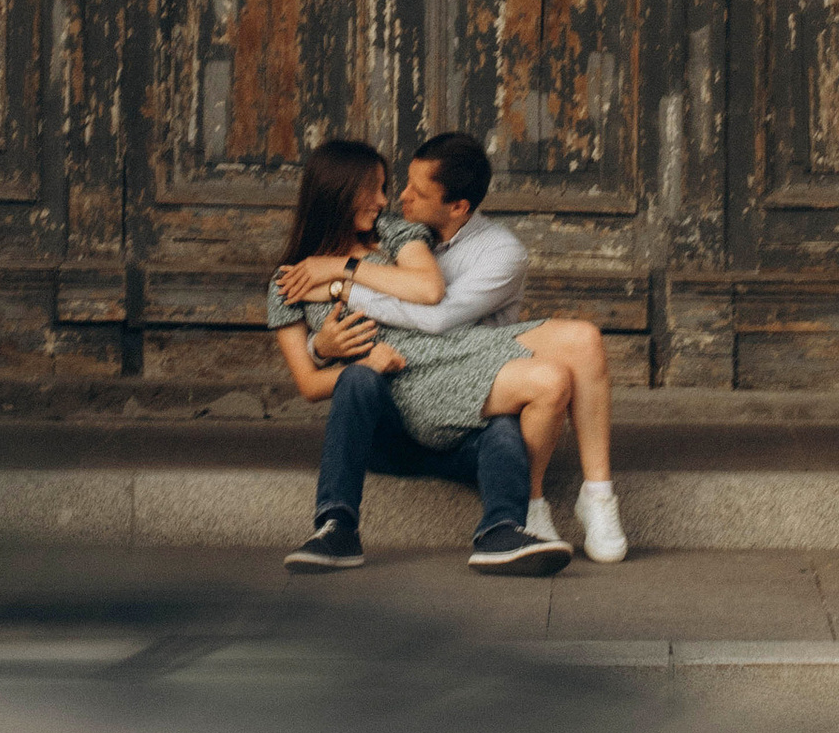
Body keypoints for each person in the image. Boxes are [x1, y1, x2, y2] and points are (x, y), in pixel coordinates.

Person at [268, 132, 628, 570]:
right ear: (337, 193)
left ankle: (557, 510)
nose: (387, 200)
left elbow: (429, 289)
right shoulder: (285, 284)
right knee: (361, 378)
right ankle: (336, 528)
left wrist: (342, 276)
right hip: (400, 384)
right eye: (376, 189)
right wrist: (326, 350)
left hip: (451, 354)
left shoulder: (399, 233)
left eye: (388, 187)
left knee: (564, 365)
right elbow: (307, 384)